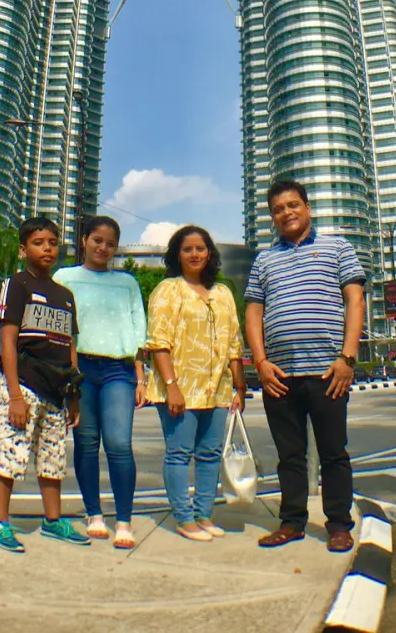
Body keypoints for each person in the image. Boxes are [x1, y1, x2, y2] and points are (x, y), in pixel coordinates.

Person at [244, 179, 366, 553]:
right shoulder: (264, 259)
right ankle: (292, 522)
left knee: (333, 453)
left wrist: (347, 358)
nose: (286, 213)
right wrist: (260, 363)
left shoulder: (337, 247)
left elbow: (355, 300)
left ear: (307, 207)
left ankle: (339, 525)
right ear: (272, 217)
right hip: (279, 377)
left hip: (328, 373)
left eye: (293, 205)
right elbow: (253, 311)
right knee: (289, 456)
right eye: (278, 209)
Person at [0, 216, 90, 553]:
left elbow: (70, 346)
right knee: (8, 455)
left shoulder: (65, 295)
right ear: (23, 249)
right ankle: (0, 523)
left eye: (52, 242)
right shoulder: (17, 285)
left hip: (57, 391)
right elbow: (8, 341)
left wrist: (73, 394)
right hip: (25, 386)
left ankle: (53, 520)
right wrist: (15, 395)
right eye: (38, 242)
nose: (47, 248)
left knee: (52, 458)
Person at [146, 225, 246, 542]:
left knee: (210, 453)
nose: (194, 254)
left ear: (209, 253)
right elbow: (158, 343)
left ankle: (204, 514)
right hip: (180, 388)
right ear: (177, 255)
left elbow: (234, 344)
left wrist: (239, 386)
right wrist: (172, 385)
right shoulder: (168, 290)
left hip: (217, 389)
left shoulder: (223, 293)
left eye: (200, 248)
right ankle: (184, 517)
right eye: (187, 249)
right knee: (179, 453)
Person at [57, 215, 147, 549]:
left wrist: (140, 377)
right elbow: (59, 328)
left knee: (120, 444)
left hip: (118, 371)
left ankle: (124, 520)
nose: (103, 248)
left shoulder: (127, 282)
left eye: (110, 243)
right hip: (80, 369)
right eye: (97, 240)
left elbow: (139, 331)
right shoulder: (64, 278)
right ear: (84, 240)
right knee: (87, 442)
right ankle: (94, 514)